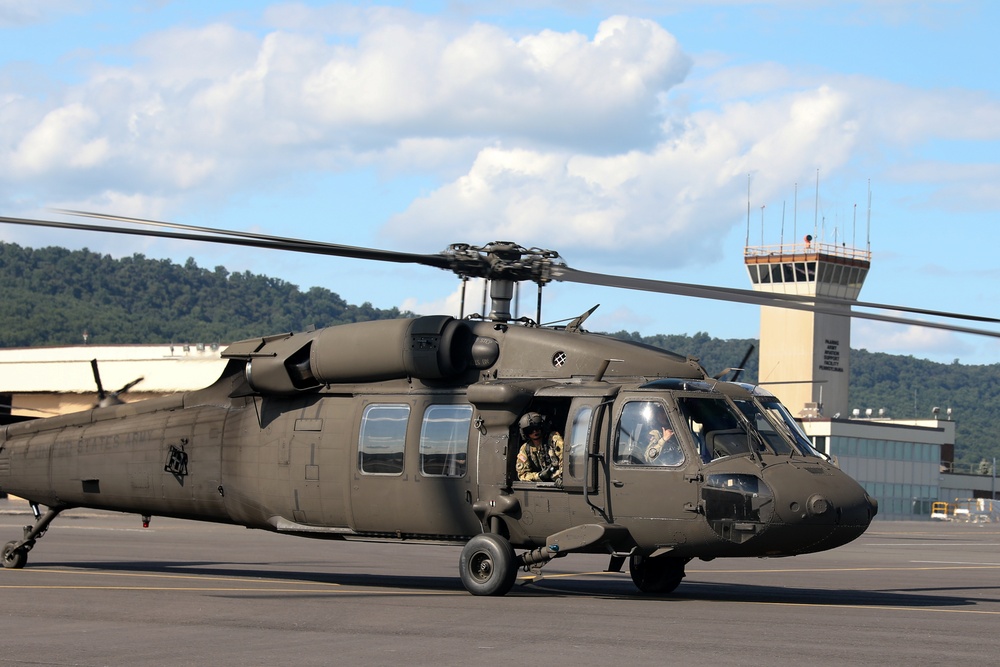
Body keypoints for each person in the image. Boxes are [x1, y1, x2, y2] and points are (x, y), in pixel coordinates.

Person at [515, 412, 564, 483]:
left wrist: (562, 476)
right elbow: (522, 475)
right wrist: (540, 476)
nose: (534, 431)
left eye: (537, 427)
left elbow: (565, 458)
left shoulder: (553, 439)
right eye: (530, 430)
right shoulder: (525, 448)